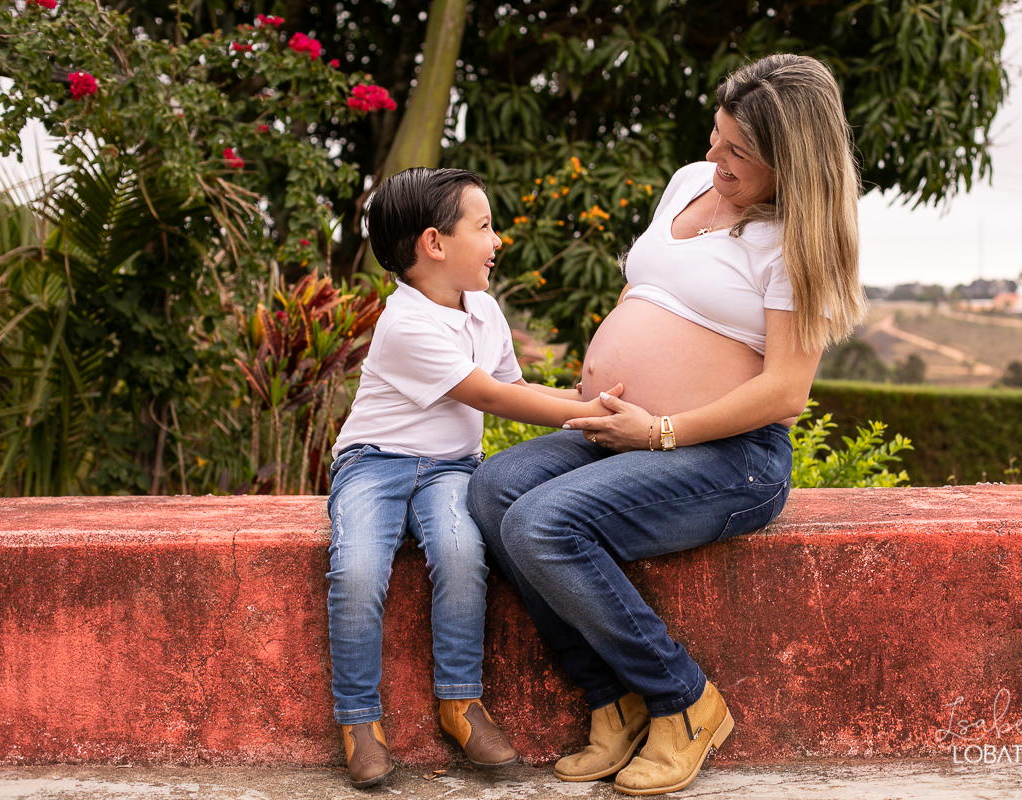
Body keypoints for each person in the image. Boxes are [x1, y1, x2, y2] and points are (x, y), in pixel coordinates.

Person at [466, 54, 867, 796]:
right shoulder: (691, 182)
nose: (715, 158)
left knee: (545, 525)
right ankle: (610, 701)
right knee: (493, 492)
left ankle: (684, 702)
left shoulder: (796, 242)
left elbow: (784, 391)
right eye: (717, 136)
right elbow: (650, 293)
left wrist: (662, 430)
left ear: (793, 164)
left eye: (738, 152)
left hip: (729, 458)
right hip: (624, 429)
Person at [327, 167, 620, 789]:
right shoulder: (405, 324)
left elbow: (517, 385)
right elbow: (496, 399)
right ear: (434, 244)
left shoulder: (484, 310)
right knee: (356, 570)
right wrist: (589, 413)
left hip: (451, 470)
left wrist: (582, 399)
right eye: (484, 227)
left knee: (462, 554)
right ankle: (359, 721)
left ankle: (460, 703)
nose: (497, 241)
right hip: (374, 463)